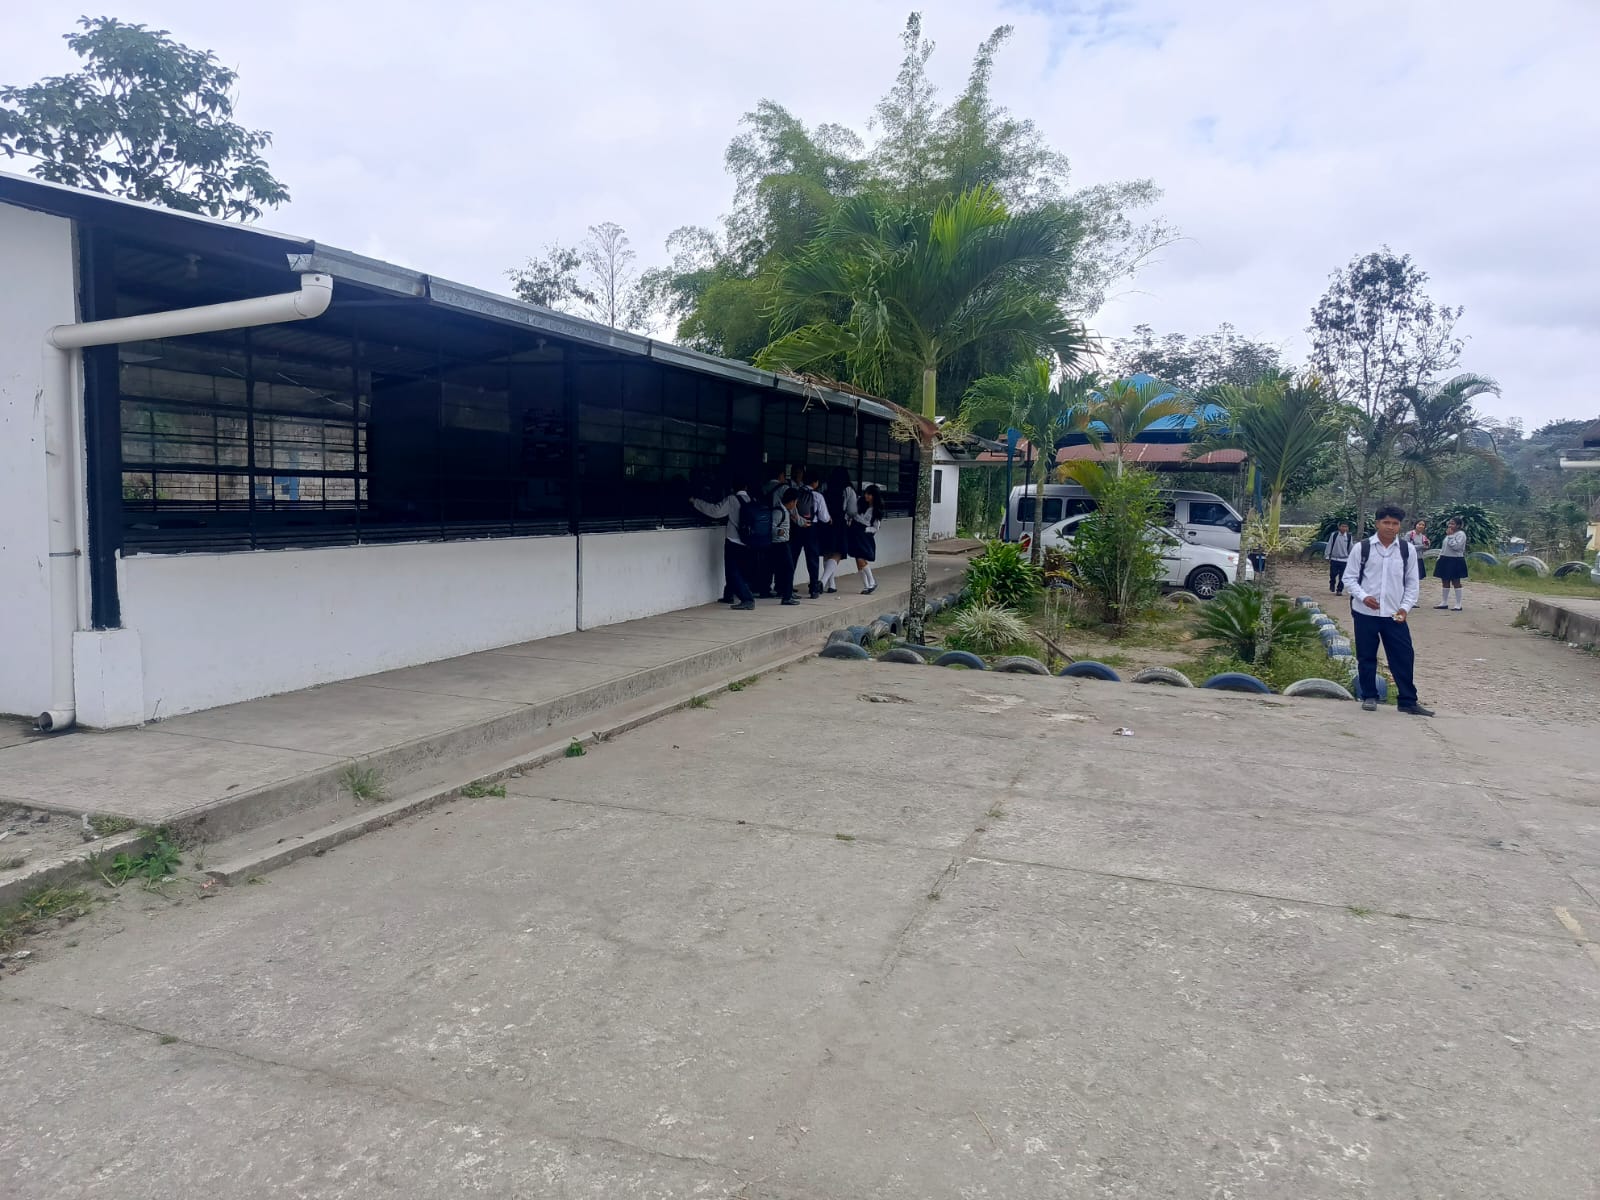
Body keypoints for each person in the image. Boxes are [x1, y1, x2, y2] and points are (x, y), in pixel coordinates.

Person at [1341, 503, 1433, 716]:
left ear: (1400, 526)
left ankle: (1407, 701)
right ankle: (1369, 696)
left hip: (1394, 614)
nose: (1390, 527)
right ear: (1377, 523)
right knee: (1366, 655)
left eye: (1395, 523)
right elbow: (1349, 578)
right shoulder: (1362, 548)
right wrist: (1364, 597)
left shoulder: (1406, 550)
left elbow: (1412, 583)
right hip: (1365, 613)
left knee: (1403, 656)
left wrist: (1405, 608)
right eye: (1386, 522)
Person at [690, 482, 755, 611]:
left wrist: (695, 502)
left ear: (732, 488)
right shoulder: (752, 500)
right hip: (748, 541)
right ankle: (728, 595)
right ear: (746, 487)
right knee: (738, 571)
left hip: (734, 540)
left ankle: (747, 599)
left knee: (732, 571)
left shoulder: (732, 499)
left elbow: (715, 511)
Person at [793, 469, 829, 598]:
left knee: (793, 557)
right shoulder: (817, 496)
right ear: (815, 482)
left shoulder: (796, 492)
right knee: (812, 559)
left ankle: (786, 586)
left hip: (796, 527)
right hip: (811, 528)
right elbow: (824, 517)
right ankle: (813, 589)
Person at [819, 466, 852, 593]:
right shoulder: (847, 489)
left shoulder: (825, 486)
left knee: (827, 552)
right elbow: (852, 510)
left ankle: (831, 584)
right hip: (840, 522)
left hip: (825, 522)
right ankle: (823, 581)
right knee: (838, 552)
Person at [850, 483, 885, 595]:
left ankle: (872, 581)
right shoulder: (860, 502)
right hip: (854, 530)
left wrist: (865, 530)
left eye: (869, 494)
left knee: (861, 558)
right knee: (857, 559)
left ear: (874, 496)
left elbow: (876, 528)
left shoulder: (876, 510)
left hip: (864, 534)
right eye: (866, 493)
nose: (866, 496)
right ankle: (866, 585)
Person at [769, 487, 799, 605]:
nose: (795, 505)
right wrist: (778, 531)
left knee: (783, 569)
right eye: (795, 502)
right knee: (788, 569)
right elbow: (771, 526)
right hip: (780, 544)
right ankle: (787, 596)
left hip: (784, 543)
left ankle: (785, 592)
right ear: (792, 501)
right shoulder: (779, 511)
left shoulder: (785, 511)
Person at [1433, 516, 1469, 611]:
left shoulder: (1461, 534)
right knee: (1445, 581)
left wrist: (1450, 536)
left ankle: (1458, 604)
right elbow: (1444, 547)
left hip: (1455, 560)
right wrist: (1439, 557)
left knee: (1456, 581)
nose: (1450, 525)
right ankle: (1444, 602)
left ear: (1458, 525)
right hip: (1445, 558)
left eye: (1453, 524)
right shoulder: (1449, 534)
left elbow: (1456, 547)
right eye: (1449, 523)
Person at [1325, 521, 1353, 595]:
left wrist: (1352, 557)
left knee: (1343, 576)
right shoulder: (1334, 535)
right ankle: (1332, 583)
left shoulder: (1349, 536)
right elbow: (1329, 545)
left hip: (1344, 560)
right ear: (1339, 527)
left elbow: (1350, 547)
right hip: (1334, 559)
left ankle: (1339, 590)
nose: (1344, 528)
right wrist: (1327, 555)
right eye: (1342, 526)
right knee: (1333, 574)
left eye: (1346, 527)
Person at [1405, 519, 1430, 584]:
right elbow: (1407, 546)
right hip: (1410, 559)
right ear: (1415, 525)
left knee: (1418, 578)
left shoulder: (1423, 537)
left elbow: (1424, 548)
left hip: (1419, 559)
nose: (1421, 526)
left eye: (1423, 525)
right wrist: (1422, 546)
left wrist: (1427, 546)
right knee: (1409, 577)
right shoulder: (1410, 534)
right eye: (1419, 524)